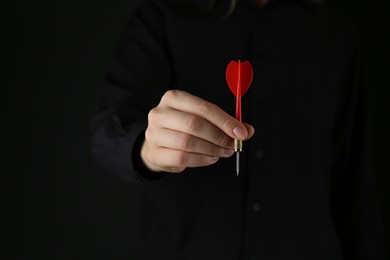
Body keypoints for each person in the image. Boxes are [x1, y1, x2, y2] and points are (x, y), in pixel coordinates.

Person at [90, 0, 387, 259]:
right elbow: (107, 134)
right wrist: (147, 149)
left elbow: (354, 183)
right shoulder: (163, 15)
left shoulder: (336, 35)